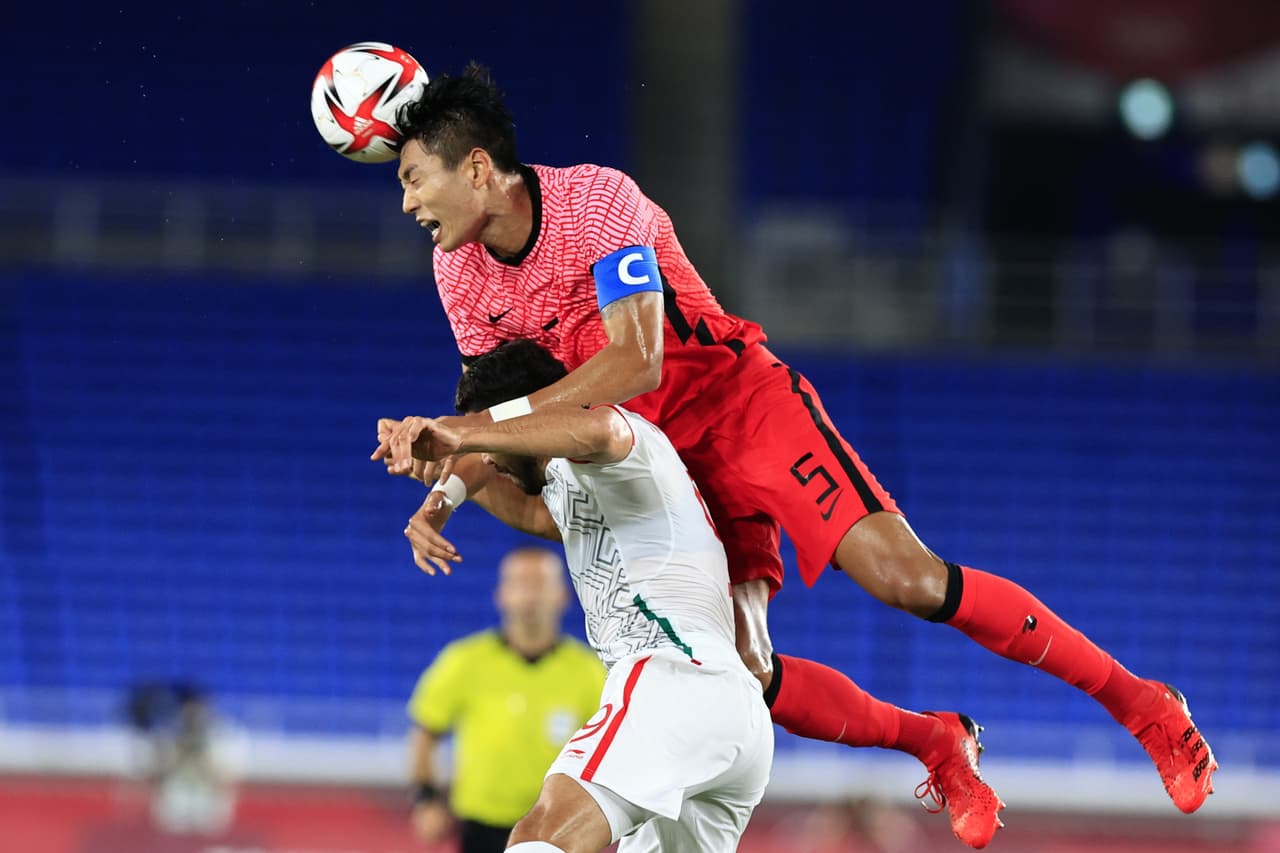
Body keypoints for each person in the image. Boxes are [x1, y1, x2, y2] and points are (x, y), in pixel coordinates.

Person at [374, 63, 1215, 845]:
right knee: (744, 672)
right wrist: (439, 493)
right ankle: (936, 741)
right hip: (659, 459)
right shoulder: (461, 275)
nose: (408, 202)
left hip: (737, 404)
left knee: (906, 577)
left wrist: (466, 436)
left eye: (415, 178)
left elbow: (638, 361)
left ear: (478, 168)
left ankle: (1144, 706)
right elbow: (492, 405)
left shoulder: (596, 202)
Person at [394, 339, 777, 852]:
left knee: (540, 837)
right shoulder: (578, 485)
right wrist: (440, 498)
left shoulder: (619, 436)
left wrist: (459, 434)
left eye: (490, 437)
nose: (484, 456)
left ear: (529, 414)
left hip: (673, 678)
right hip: (724, 710)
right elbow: (530, 512)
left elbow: (598, 427)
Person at [406, 546, 605, 852]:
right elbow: (425, 732)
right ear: (501, 594)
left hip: (558, 827)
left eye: (539, 585)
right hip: (481, 825)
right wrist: (426, 799)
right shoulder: (464, 661)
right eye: (520, 585)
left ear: (563, 596)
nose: (530, 596)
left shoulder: (590, 672)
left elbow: (610, 748)